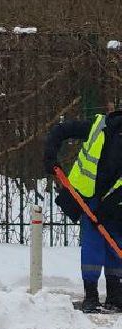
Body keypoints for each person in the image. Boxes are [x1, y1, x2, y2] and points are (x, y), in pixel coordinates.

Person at [45, 110, 122, 312]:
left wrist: (112, 203)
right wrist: (50, 155)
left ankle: (115, 294)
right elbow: (61, 130)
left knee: (116, 243)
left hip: (117, 198)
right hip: (90, 197)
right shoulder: (98, 127)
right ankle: (92, 295)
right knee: (94, 244)